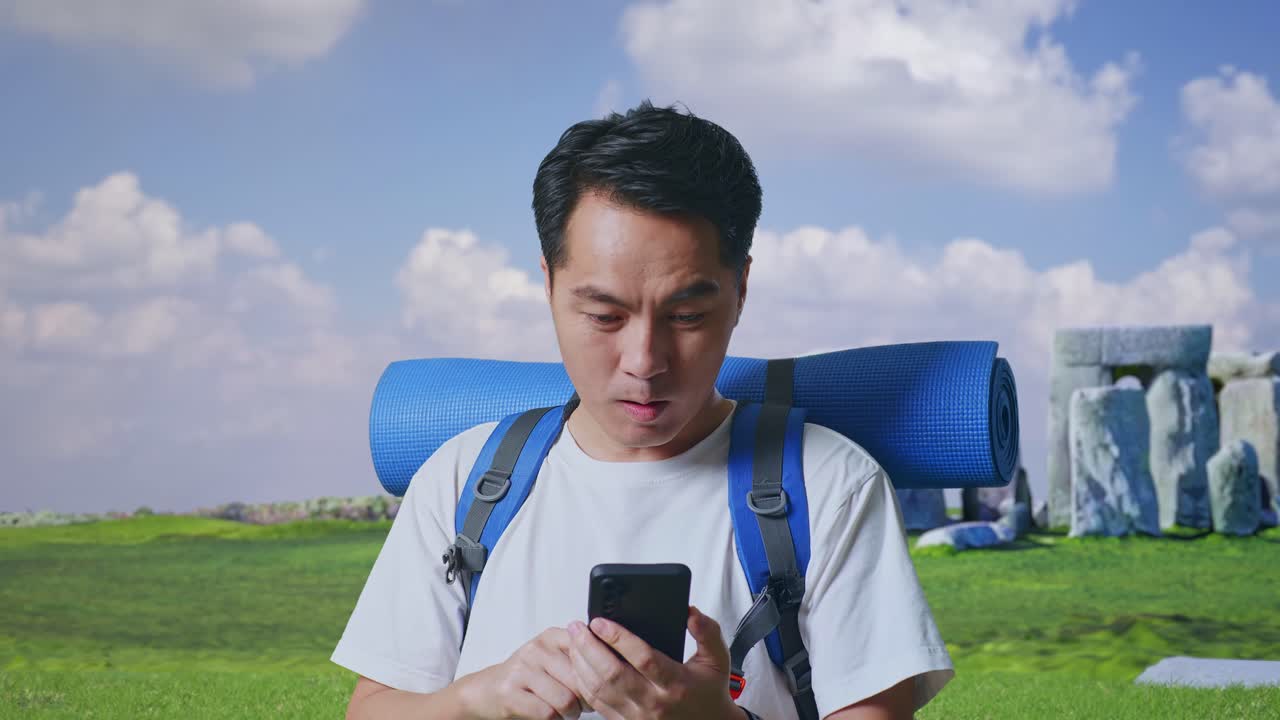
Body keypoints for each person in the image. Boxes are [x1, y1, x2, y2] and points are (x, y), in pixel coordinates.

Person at [332, 100, 954, 719]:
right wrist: (474, 700)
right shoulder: (463, 481)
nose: (644, 360)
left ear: (741, 290)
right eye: (604, 315)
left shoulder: (830, 486)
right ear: (547, 284)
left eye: (687, 316)